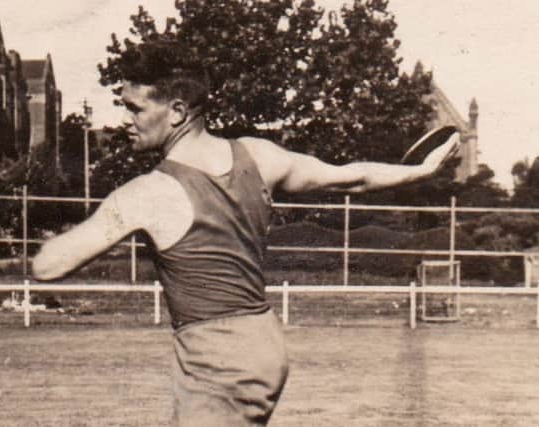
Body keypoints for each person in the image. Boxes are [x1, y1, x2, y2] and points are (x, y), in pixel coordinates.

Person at [32, 41, 459, 426]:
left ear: (177, 111)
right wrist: (422, 170)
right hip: (262, 340)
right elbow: (352, 178)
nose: (125, 120)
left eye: (136, 108)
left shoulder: (146, 193)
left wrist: (95, 221)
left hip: (215, 356)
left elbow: (47, 267)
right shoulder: (258, 155)